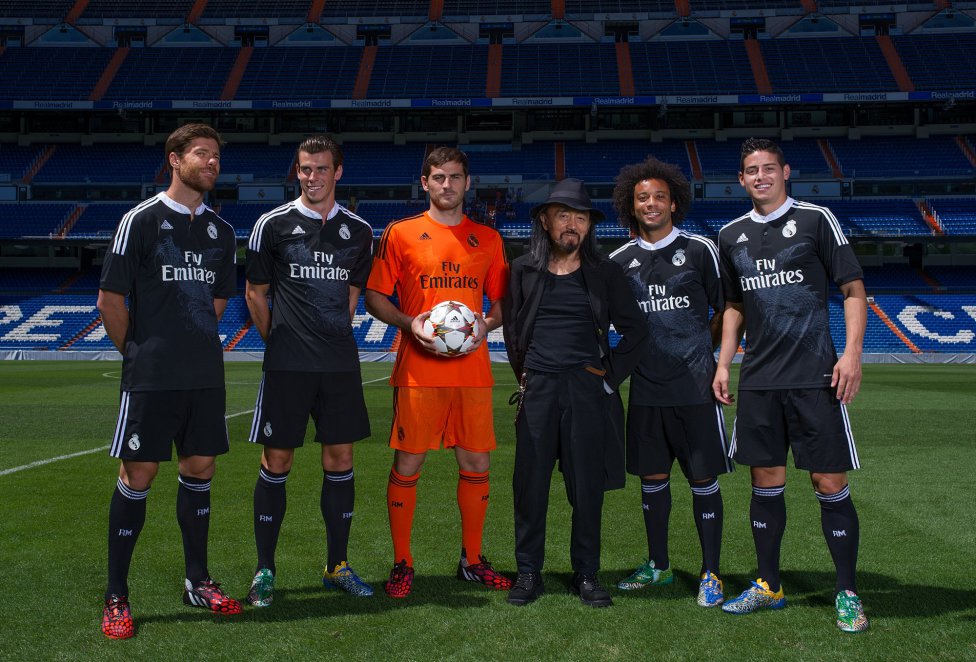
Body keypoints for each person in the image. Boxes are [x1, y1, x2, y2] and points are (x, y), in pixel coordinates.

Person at [712, 138, 869, 633]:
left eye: (768, 168)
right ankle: (769, 585)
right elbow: (734, 306)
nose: (760, 176)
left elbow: (853, 289)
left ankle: (846, 591)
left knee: (828, 481)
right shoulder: (730, 234)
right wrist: (723, 364)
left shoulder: (816, 219)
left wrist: (852, 354)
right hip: (759, 380)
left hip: (815, 377)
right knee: (765, 482)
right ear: (741, 180)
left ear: (785, 172)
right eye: (750, 171)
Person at [96, 123, 240, 639]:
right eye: (202, 154)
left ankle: (197, 581)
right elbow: (110, 301)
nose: (212, 163)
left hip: (203, 375)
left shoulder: (222, 232)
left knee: (200, 469)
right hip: (153, 378)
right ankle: (116, 595)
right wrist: (141, 354)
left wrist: (192, 343)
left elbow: (219, 300)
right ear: (174, 160)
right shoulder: (140, 221)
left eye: (217, 156)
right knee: (139, 475)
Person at [364, 147, 512, 598]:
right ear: (424, 183)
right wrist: (411, 323)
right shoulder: (400, 234)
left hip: (472, 371)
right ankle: (402, 562)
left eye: (455, 177)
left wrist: (483, 325)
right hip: (417, 372)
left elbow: (505, 301)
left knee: (477, 462)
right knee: (409, 462)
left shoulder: (487, 239)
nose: (446, 185)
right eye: (438, 177)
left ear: (468, 183)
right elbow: (375, 296)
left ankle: (471, 559)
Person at [502, 178, 647, 608]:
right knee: (530, 486)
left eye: (580, 217)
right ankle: (528, 573)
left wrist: (607, 378)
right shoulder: (522, 268)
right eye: (563, 215)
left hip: (588, 388)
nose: (572, 224)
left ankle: (587, 573)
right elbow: (512, 333)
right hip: (540, 388)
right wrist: (528, 374)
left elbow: (637, 332)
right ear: (545, 221)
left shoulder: (605, 273)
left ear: (589, 226)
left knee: (586, 488)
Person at [243, 135, 375, 606]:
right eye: (304, 169)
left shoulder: (360, 231)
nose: (312, 177)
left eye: (321, 169)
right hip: (288, 367)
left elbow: (353, 295)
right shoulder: (272, 224)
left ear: (338, 172)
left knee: (340, 461)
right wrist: (279, 343)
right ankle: (265, 570)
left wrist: (332, 334)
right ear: (296, 172)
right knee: (276, 462)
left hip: (338, 366)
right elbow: (255, 292)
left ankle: (337, 565)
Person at [608, 157, 732, 608]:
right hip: (645, 391)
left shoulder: (700, 250)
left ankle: (711, 572)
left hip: (696, 389)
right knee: (653, 479)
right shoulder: (618, 261)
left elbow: (726, 309)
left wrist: (706, 348)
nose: (651, 203)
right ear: (630, 205)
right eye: (642, 198)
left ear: (674, 202)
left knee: (703, 479)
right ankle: (658, 566)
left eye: (660, 196)